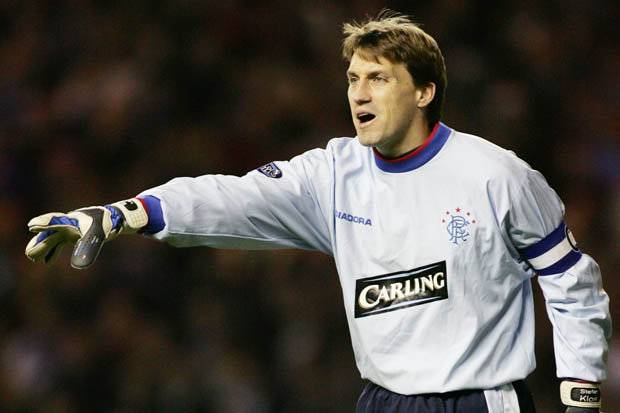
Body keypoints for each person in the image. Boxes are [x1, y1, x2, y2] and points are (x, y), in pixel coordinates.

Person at [25, 11, 610, 413]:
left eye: (378, 79)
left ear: (424, 91)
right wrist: (128, 212)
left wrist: (580, 391)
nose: (359, 94)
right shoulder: (333, 175)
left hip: (480, 401)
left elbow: (570, 280)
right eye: (353, 79)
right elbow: (231, 197)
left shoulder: (497, 175)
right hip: (381, 401)